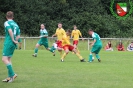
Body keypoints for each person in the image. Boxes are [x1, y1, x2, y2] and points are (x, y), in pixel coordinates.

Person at [2, 11, 20, 82]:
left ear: (6, 17)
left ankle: (13, 74)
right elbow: (18, 35)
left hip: (9, 42)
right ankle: (10, 78)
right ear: (13, 17)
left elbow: (10, 31)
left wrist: (12, 40)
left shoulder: (6, 22)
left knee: (4, 59)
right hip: (13, 44)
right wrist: (15, 41)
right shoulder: (16, 24)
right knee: (9, 59)